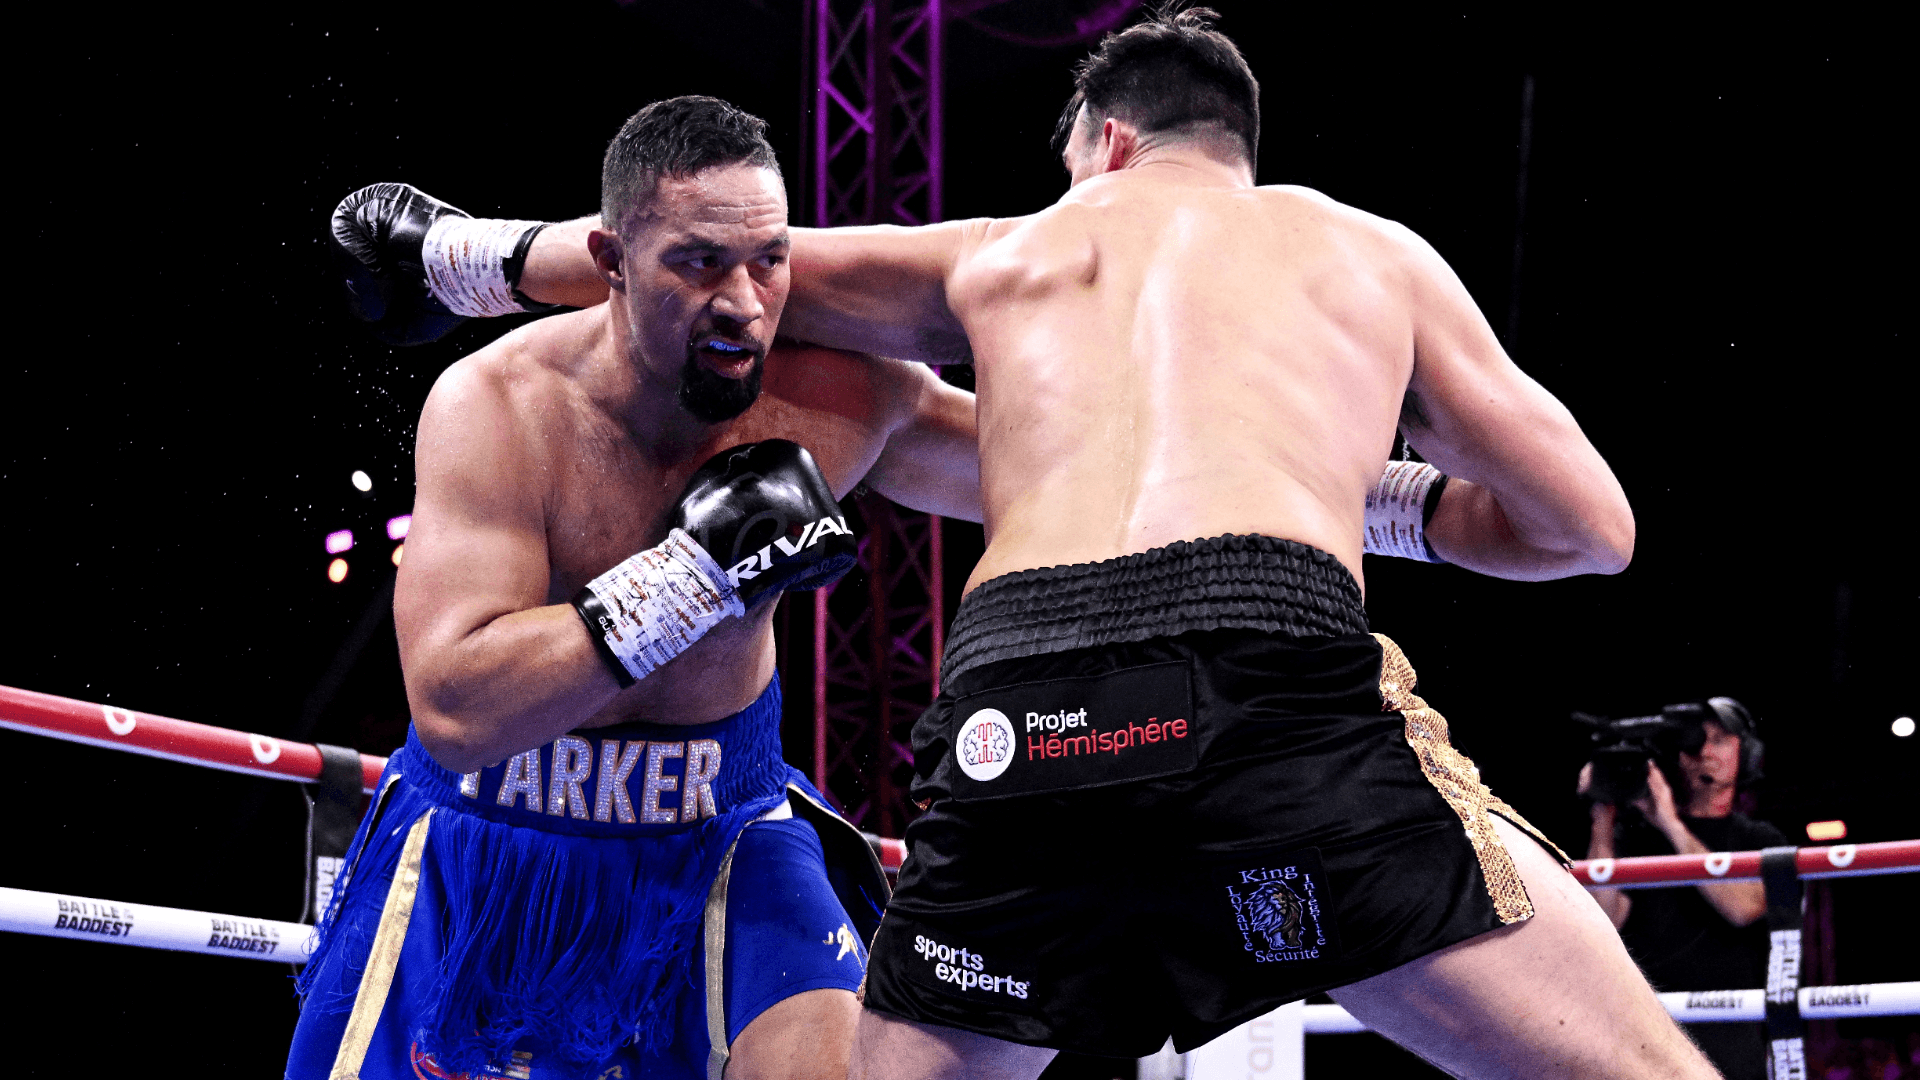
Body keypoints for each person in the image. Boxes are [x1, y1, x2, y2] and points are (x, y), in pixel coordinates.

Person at [386, 9, 1721, 1078]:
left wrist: (462, 253)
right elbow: (1590, 530)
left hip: (1022, 710)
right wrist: (1376, 496)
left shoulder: (1005, 251)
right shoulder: (1367, 252)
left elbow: (733, 264)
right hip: (1268, 678)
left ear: (1110, 142)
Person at [287, 96, 983, 1080]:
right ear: (608, 263)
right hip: (488, 838)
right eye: (698, 263)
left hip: (725, 834)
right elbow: (455, 708)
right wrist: (693, 578)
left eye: (769, 262)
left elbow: (1047, 466)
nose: (743, 304)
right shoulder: (503, 405)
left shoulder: (843, 396)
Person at [1581, 699, 1786, 1080]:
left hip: (1731, 1030)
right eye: (1693, 742)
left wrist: (1671, 824)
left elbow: (1743, 908)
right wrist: (1602, 816)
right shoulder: (1637, 839)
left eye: (1719, 740)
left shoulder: (1759, 838)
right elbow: (1604, 919)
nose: (1704, 752)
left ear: (1747, 753)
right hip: (1649, 1025)